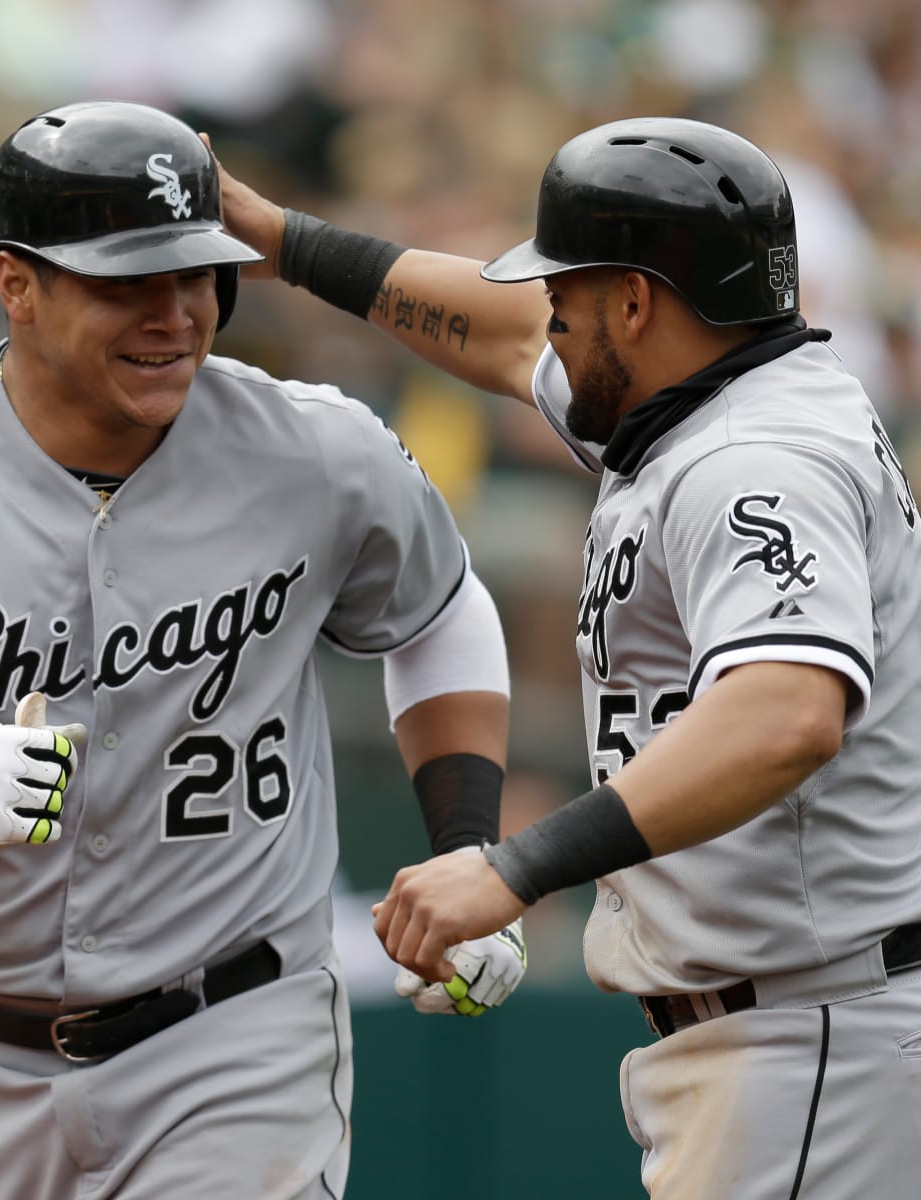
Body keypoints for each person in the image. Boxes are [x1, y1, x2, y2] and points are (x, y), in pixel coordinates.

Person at [0, 100, 529, 1200]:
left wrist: (466, 846)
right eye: (125, 282)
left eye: (194, 275)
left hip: (239, 1032)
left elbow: (440, 613)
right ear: (16, 283)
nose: (174, 314)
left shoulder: (314, 446)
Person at [217, 116, 921, 1198]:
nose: (545, 317)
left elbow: (787, 711)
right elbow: (498, 334)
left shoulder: (751, 459)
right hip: (800, 1022)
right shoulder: (701, 394)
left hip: (817, 1032)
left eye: (568, 295)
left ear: (636, 304)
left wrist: (513, 868)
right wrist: (287, 244)